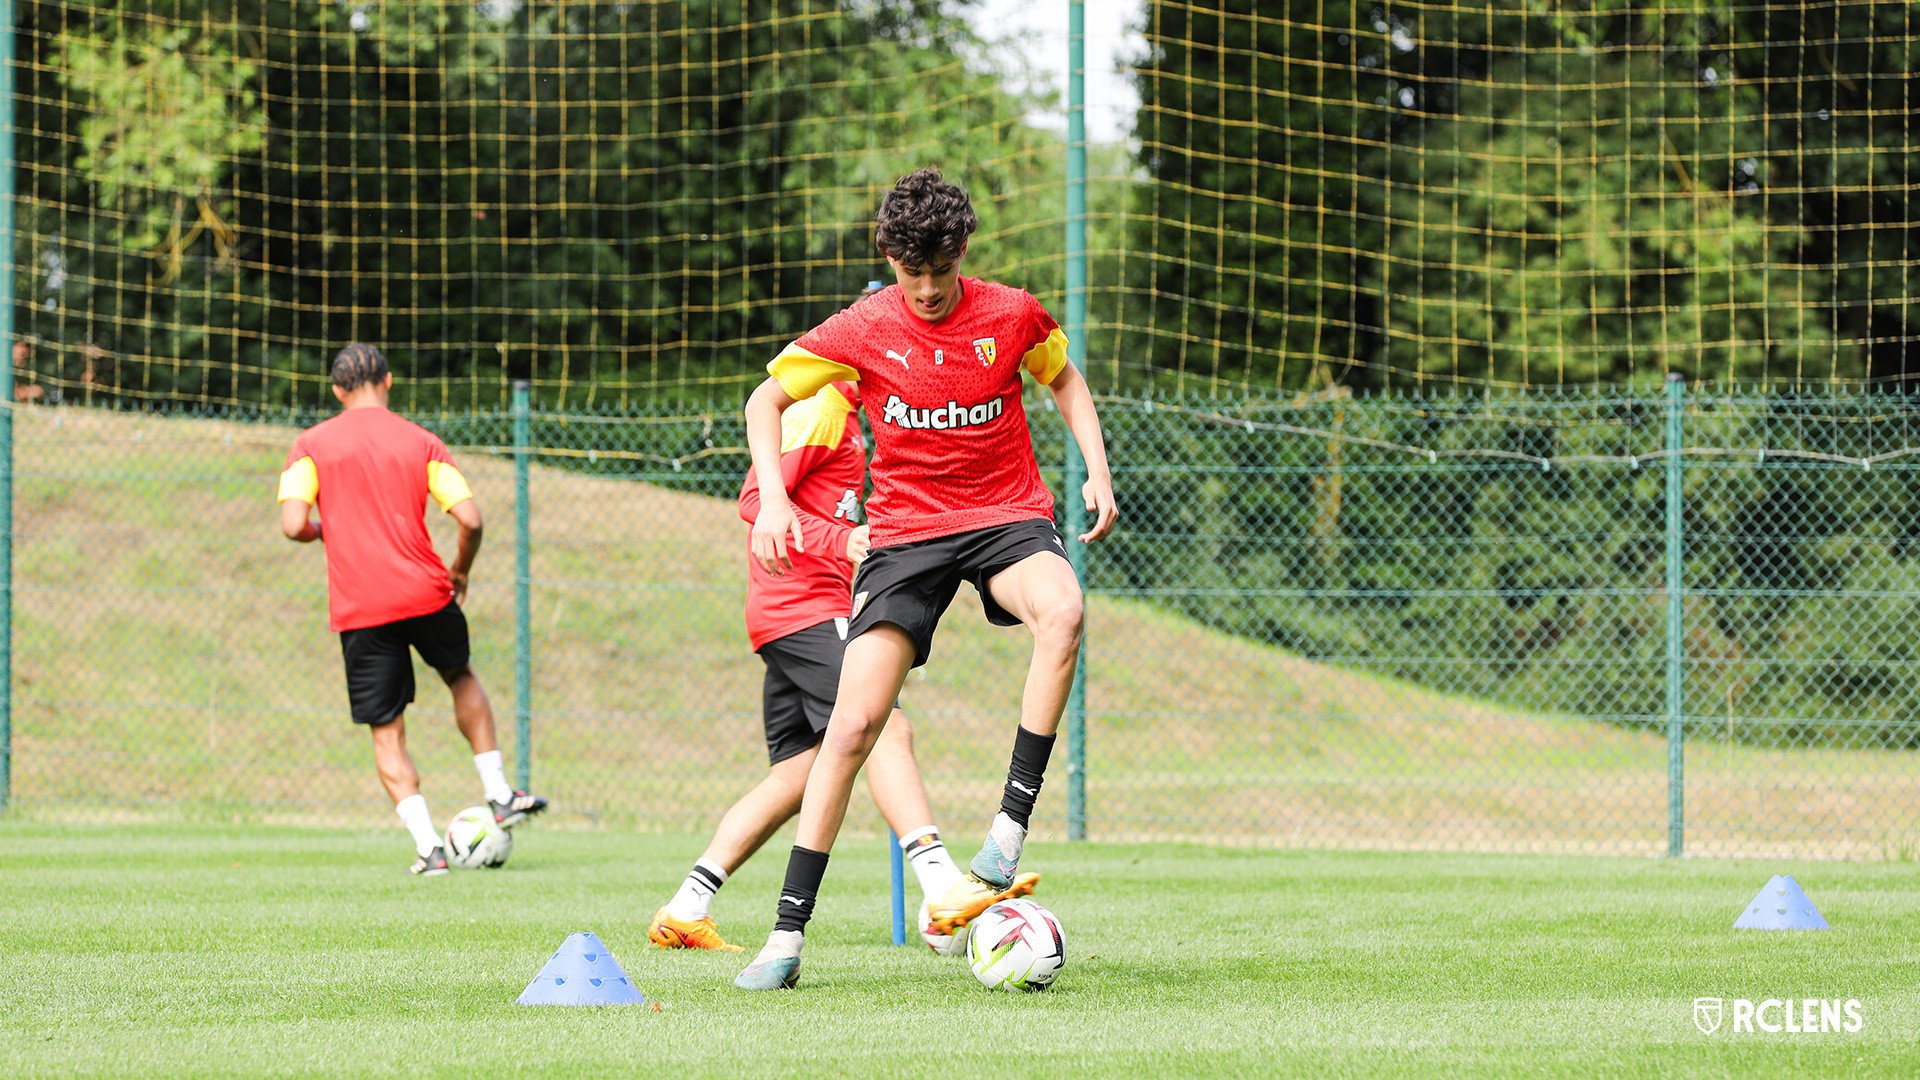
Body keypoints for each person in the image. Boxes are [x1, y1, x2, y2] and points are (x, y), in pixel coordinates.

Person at [732, 169, 1119, 990]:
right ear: (889, 259)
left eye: (944, 272)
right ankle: (786, 937)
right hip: (906, 537)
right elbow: (763, 403)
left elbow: (1064, 378)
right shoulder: (862, 325)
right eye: (914, 275)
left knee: (1065, 611)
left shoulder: (1012, 313)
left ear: (964, 253)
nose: (932, 290)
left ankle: (1005, 837)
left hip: (1005, 515)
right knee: (853, 726)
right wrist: (770, 501)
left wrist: (1097, 467)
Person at [646, 367, 967, 952]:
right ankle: (941, 883)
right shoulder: (820, 408)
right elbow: (754, 501)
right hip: (805, 608)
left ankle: (685, 908)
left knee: (798, 774)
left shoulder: (853, 420)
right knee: (884, 725)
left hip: (795, 613)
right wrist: (838, 541)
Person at [277, 343, 548, 875]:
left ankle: (430, 850)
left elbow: (291, 525)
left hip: (362, 605)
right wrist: (461, 570)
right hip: (427, 591)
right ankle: (499, 794)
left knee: (387, 729)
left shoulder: (309, 445)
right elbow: (470, 520)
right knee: (459, 675)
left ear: (337, 391)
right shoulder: (423, 442)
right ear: (389, 381)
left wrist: (325, 528)